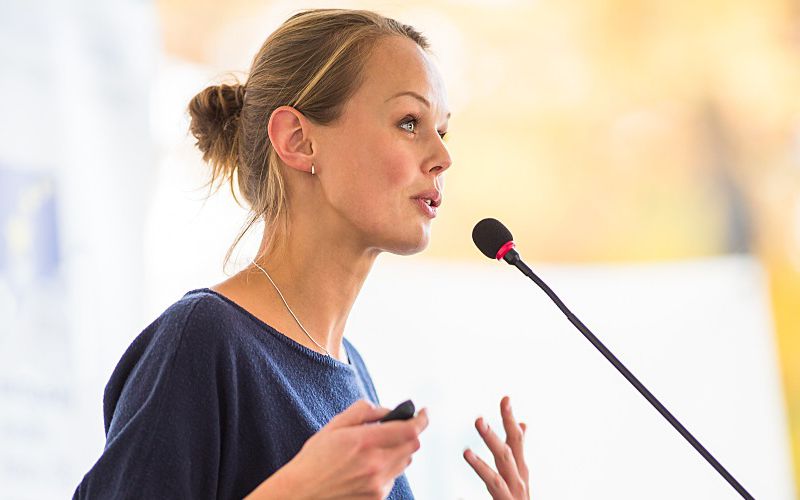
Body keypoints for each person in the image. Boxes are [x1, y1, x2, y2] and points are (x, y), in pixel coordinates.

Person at [73, 8, 530, 500]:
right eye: (408, 122)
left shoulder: (353, 372)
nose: (443, 157)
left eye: (442, 130)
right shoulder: (203, 341)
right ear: (298, 140)